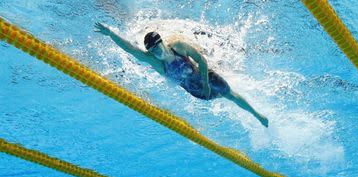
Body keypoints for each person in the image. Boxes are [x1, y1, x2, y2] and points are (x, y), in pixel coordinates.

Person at [94, 22, 269, 127]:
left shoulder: (178, 46)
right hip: (194, 90)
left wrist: (207, 84)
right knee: (219, 98)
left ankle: (257, 115)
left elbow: (201, 60)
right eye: (152, 50)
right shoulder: (155, 62)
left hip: (205, 76)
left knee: (230, 94)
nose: (155, 52)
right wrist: (110, 34)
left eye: (156, 47)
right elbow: (131, 50)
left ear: (161, 42)